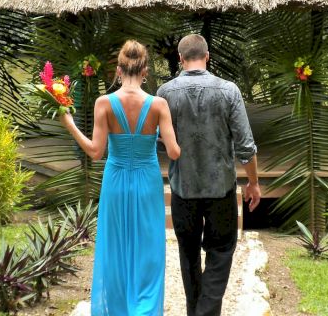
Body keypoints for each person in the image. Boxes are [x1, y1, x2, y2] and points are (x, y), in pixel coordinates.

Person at [60, 40, 180, 315]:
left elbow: (95, 151)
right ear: (145, 71)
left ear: (117, 69)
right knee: (148, 248)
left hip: (115, 181)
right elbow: (174, 152)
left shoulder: (104, 103)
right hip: (147, 182)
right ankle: (145, 309)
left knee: (115, 247)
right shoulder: (158, 104)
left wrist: (69, 124)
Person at [157, 34, 261, 316]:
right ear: (208, 56)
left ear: (180, 59)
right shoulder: (229, 91)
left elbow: (157, 141)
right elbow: (245, 145)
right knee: (221, 252)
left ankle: (197, 312)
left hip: (183, 189)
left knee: (188, 255)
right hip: (220, 190)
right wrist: (253, 182)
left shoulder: (165, 93)